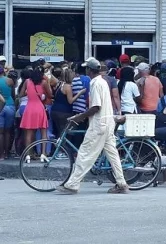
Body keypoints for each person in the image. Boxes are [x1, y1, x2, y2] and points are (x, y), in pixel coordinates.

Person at [56, 58, 128, 194]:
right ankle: (121, 183)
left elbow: (95, 106)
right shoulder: (103, 81)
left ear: (89, 70)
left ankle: (72, 185)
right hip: (108, 122)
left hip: (99, 123)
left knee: (85, 153)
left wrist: (79, 116)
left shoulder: (95, 83)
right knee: (113, 154)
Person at [19, 67, 51, 163]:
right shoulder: (43, 82)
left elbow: (20, 94)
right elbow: (50, 94)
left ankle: (28, 155)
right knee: (43, 132)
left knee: (29, 133)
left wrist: (27, 92)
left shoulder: (27, 82)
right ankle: (43, 154)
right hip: (39, 108)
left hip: (29, 108)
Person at [50, 69, 86, 136]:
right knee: (66, 134)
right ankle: (63, 146)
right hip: (64, 112)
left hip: (54, 110)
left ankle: (58, 145)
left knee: (59, 132)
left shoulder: (59, 84)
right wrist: (80, 93)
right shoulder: (68, 87)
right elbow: (70, 101)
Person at [0, 66, 15, 160]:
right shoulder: (10, 81)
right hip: (10, 105)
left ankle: (1, 155)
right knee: (8, 132)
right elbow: (13, 94)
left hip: (0, 107)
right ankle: (6, 153)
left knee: (0, 133)